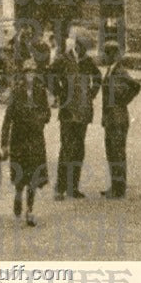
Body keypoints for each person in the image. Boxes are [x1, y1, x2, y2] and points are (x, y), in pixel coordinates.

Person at [49, 35, 102, 200]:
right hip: (67, 112)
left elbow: (98, 77)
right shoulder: (63, 59)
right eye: (83, 48)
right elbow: (49, 75)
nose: (85, 51)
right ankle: (60, 188)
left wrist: (92, 94)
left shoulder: (87, 61)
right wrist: (59, 93)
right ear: (77, 45)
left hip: (84, 112)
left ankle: (73, 187)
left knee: (79, 149)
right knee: (66, 148)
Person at [0, 58, 51, 226]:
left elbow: (47, 113)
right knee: (20, 173)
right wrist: (4, 142)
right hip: (19, 138)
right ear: (23, 75)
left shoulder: (40, 91)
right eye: (27, 73)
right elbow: (8, 118)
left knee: (34, 176)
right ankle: (17, 196)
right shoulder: (17, 92)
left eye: (33, 72)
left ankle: (30, 209)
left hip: (35, 137)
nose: (30, 76)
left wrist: (40, 119)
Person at [100, 41, 141, 199]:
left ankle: (119, 189)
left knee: (117, 152)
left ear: (112, 54)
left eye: (106, 53)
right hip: (111, 118)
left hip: (118, 119)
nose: (104, 56)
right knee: (111, 152)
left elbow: (136, 86)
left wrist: (124, 100)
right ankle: (115, 185)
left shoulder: (120, 71)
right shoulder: (111, 70)